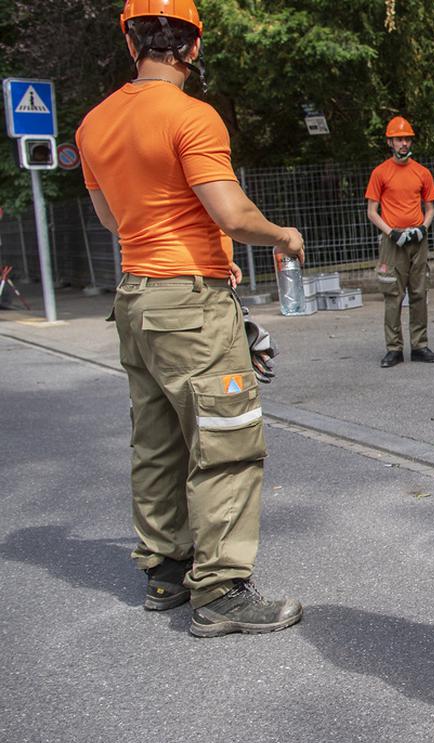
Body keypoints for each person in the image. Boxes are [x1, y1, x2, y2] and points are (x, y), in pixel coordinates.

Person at [77, 0, 303, 637]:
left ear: (131, 44)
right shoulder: (191, 117)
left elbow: (110, 220)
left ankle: (167, 571)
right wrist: (282, 235)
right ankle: (222, 591)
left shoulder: (93, 124)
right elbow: (231, 214)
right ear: (193, 47)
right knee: (226, 441)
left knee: (158, 439)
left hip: (135, 299)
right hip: (190, 304)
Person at [365, 116, 434, 368]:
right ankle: (394, 349)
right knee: (392, 294)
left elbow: (430, 209)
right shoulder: (380, 173)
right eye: (399, 139)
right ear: (390, 142)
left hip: (417, 239)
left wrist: (422, 228)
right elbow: (372, 211)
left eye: (407, 138)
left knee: (419, 292)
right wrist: (391, 232)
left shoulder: (422, 172)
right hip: (392, 240)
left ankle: (420, 345)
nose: (403, 143)